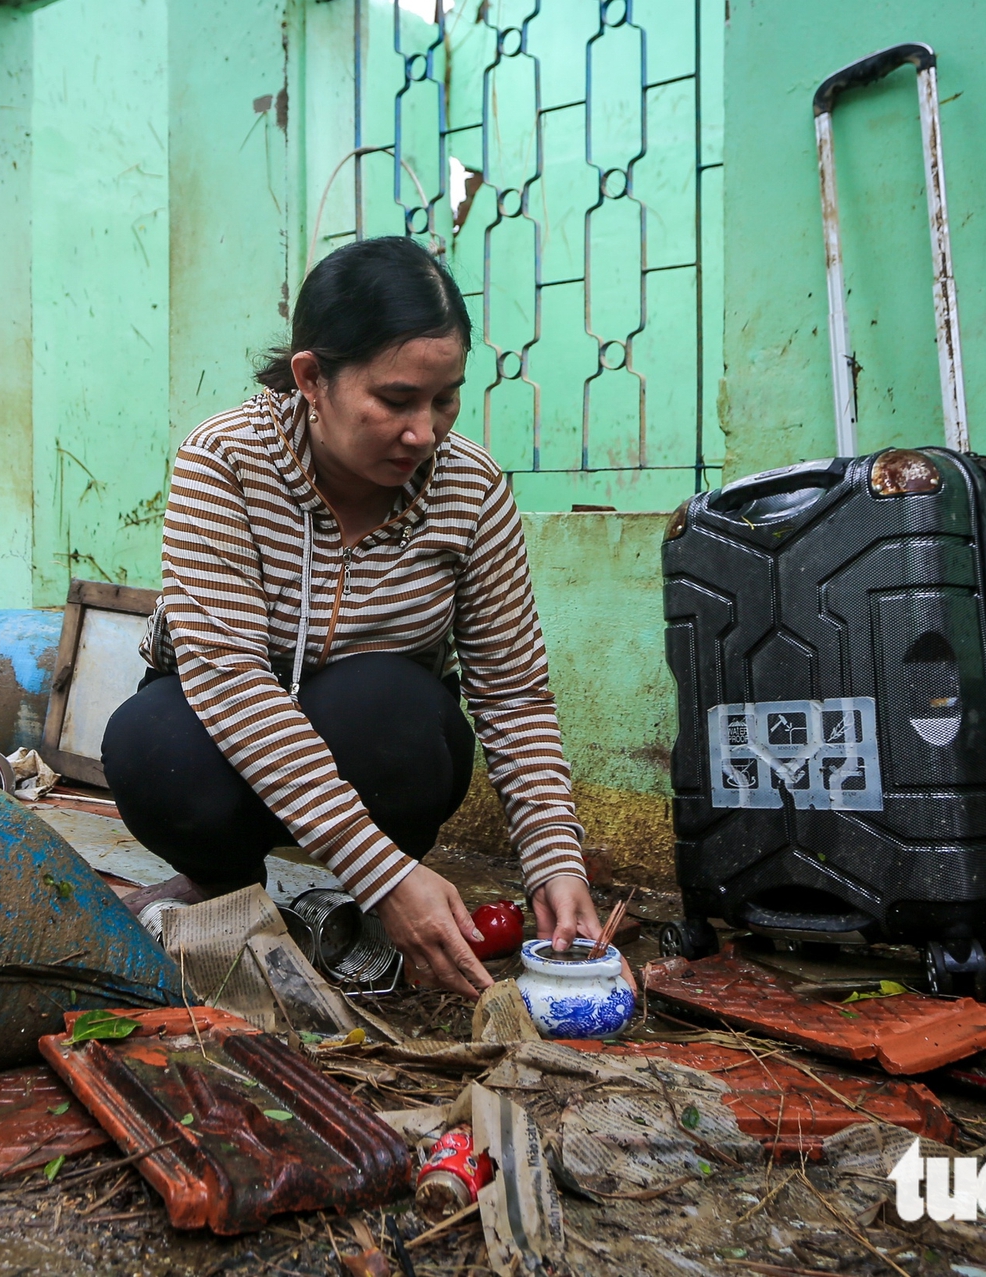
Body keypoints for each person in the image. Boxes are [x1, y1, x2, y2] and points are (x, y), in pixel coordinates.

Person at [101, 236, 609, 1000]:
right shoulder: (224, 462)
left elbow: (513, 695)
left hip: (365, 735)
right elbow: (231, 679)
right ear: (312, 377)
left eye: (445, 398)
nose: (425, 432)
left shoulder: (470, 490)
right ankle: (229, 887)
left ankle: (358, 905)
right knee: (152, 744)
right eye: (396, 399)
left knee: (400, 712)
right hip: (222, 737)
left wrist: (555, 860)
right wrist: (386, 874)